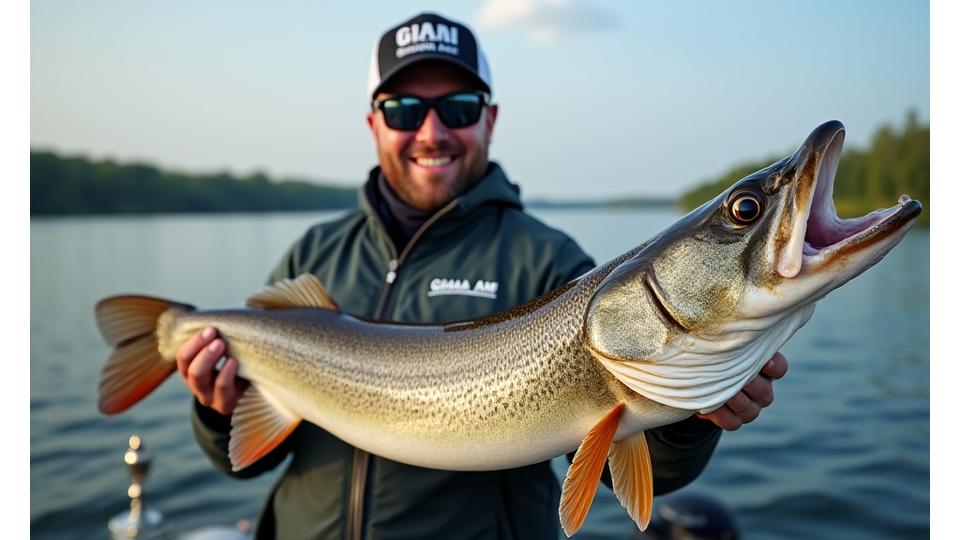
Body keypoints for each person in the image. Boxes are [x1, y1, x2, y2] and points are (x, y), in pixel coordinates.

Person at [174, 12, 789, 540]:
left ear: (489, 120)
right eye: (405, 109)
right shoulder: (314, 253)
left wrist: (690, 415)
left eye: (458, 108)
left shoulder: (549, 262)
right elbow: (244, 463)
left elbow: (628, 460)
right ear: (374, 125)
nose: (432, 132)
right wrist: (216, 409)